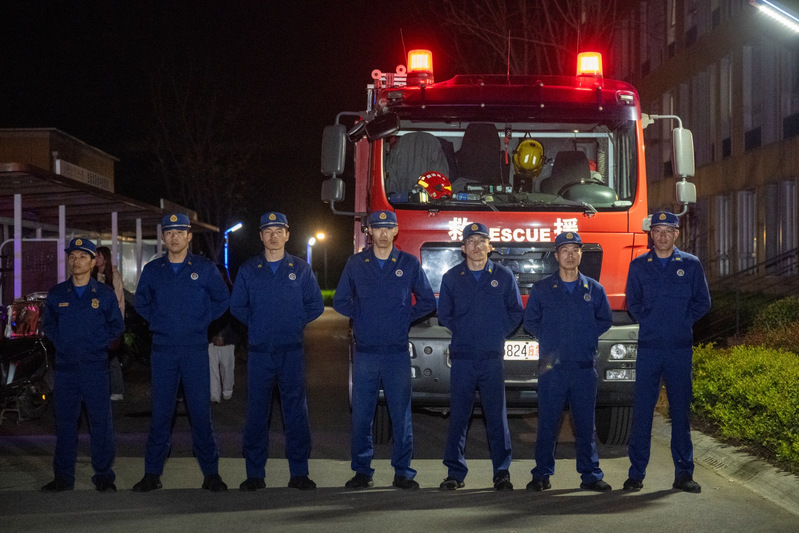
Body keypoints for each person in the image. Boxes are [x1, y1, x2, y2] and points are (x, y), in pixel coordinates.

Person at [333, 210, 436, 491]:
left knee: (401, 415)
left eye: (387, 228)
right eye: (377, 228)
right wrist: (362, 316)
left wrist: (403, 318)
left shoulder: (408, 263)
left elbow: (428, 301)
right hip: (365, 353)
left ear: (395, 231)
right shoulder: (356, 263)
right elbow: (341, 300)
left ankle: (403, 472)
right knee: (361, 416)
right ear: (369, 231)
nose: (382, 233)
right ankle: (362, 471)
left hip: (396, 354)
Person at [132, 213, 231, 492]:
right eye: (169, 232)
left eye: (180, 232)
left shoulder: (204, 268)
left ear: (189, 236)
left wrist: (202, 321)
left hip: (194, 350)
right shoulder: (153, 269)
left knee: (200, 414)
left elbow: (223, 299)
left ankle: (211, 474)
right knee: (161, 415)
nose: (174, 237)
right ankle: (152, 474)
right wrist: (158, 322)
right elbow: (141, 302)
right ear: (163, 237)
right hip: (163, 351)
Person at [230, 212, 324, 491]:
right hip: (259, 353)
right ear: (261, 236)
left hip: (291, 352)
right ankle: (254, 473)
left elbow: (316, 304)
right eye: (268, 231)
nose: (273, 236)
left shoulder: (301, 269)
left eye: (278, 230)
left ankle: (299, 472)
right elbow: (237, 306)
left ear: (287, 235)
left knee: (295, 414)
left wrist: (294, 322)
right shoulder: (249, 269)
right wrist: (258, 324)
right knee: (257, 413)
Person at [624, 211, 711, 494]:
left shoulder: (691, 264)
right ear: (651, 234)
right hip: (649, 350)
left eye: (668, 231)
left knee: (680, 413)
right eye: (657, 230)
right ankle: (636, 474)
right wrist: (650, 322)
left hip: (679, 350)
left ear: (676, 234)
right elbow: (633, 303)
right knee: (642, 413)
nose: (662, 236)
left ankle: (684, 474)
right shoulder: (639, 265)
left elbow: (703, 302)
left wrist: (682, 322)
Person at [523, 231, 613, 492]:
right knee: (548, 424)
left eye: (575, 250)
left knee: (585, 426)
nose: (570, 255)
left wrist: (585, 337)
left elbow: (604, 320)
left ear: (581, 255)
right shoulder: (542, 289)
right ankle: (541, 474)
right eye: (565, 250)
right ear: (556, 256)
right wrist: (551, 340)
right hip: (552, 370)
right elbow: (530, 322)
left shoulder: (594, 289)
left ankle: (591, 475)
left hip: (583, 368)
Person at [437, 222, 523, 491]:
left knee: (496, 417)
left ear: (490, 246)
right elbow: (444, 315)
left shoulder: (504, 276)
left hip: (491, 358)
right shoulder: (452, 277)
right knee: (459, 417)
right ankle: (455, 473)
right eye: (471, 241)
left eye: (481, 241)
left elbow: (516, 312)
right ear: (463, 248)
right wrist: (465, 332)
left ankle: (502, 472)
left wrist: (497, 333)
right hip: (462, 358)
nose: (476, 246)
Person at [41, 237, 125, 492]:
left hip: (95, 369)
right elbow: (48, 325)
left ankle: (104, 476)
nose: (75, 261)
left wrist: (100, 346)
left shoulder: (104, 294)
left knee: (101, 424)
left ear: (92, 262)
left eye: (82, 257)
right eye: (72, 257)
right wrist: (62, 343)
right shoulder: (57, 294)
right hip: (66, 370)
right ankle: (63, 477)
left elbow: (117, 327)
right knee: (65, 425)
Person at [92, 245, 126, 402]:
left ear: (105, 258)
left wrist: (117, 323)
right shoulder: (91, 275)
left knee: (111, 357)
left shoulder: (113, 276)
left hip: (109, 322)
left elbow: (119, 300)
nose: (96, 259)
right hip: (95, 323)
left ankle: (117, 389)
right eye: (95, 256)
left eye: (99, 256)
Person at [208, 265, 237, 403]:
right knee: (212, 365)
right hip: (210, 334)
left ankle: (227, 390)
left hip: (227, 334)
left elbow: (232, 316)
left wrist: (221, 333)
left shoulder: (231, 291)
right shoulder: (207, 291)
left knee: (227, 364)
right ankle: (214, 393)